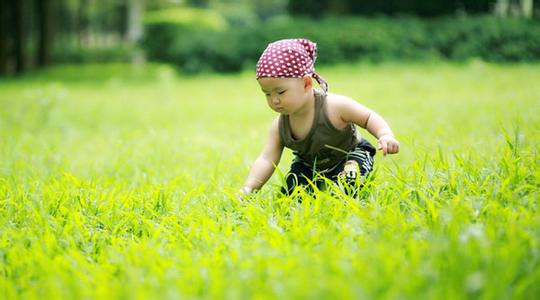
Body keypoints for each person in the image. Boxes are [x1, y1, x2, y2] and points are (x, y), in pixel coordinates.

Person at [239, 38, 399, 196]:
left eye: (281, 92)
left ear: (306, 83)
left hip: (350, 155)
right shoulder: (280, 126)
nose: (274, 100)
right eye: (267, 93)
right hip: (309, 166)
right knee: (291, 193)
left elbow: (368, 117)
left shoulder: (334, 106)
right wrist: (249, 188)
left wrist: (384, 134)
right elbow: (267, 158)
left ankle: (344, 193)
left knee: (350, 175)